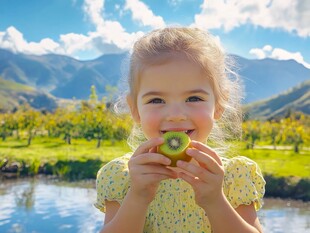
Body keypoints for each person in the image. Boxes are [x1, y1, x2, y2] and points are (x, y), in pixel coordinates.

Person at [94, 27, 265, 233]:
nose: (176, 114)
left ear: (218, 105)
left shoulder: (235, 177)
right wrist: (138, 197)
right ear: (135, 109)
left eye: (194, 98)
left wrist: (215, 201)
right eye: (156, 100)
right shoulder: (121, 177)